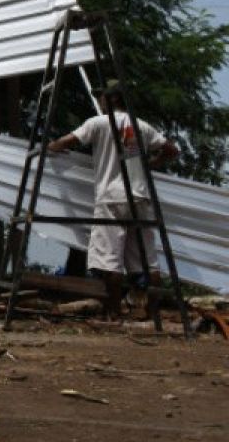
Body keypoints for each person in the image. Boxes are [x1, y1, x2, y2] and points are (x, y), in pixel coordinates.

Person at [47, 79, 178, 319]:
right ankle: (153, 314)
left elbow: (66, 142)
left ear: (114, 98)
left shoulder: (98, 123)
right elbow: (172, 150)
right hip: (139, 197)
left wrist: (49, 147)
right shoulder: (141, 126)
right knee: (148, 261)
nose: (99, 100)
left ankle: (114, 312)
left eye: (102, 96)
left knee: (110, 260)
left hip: (111, 198)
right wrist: (149, 165)